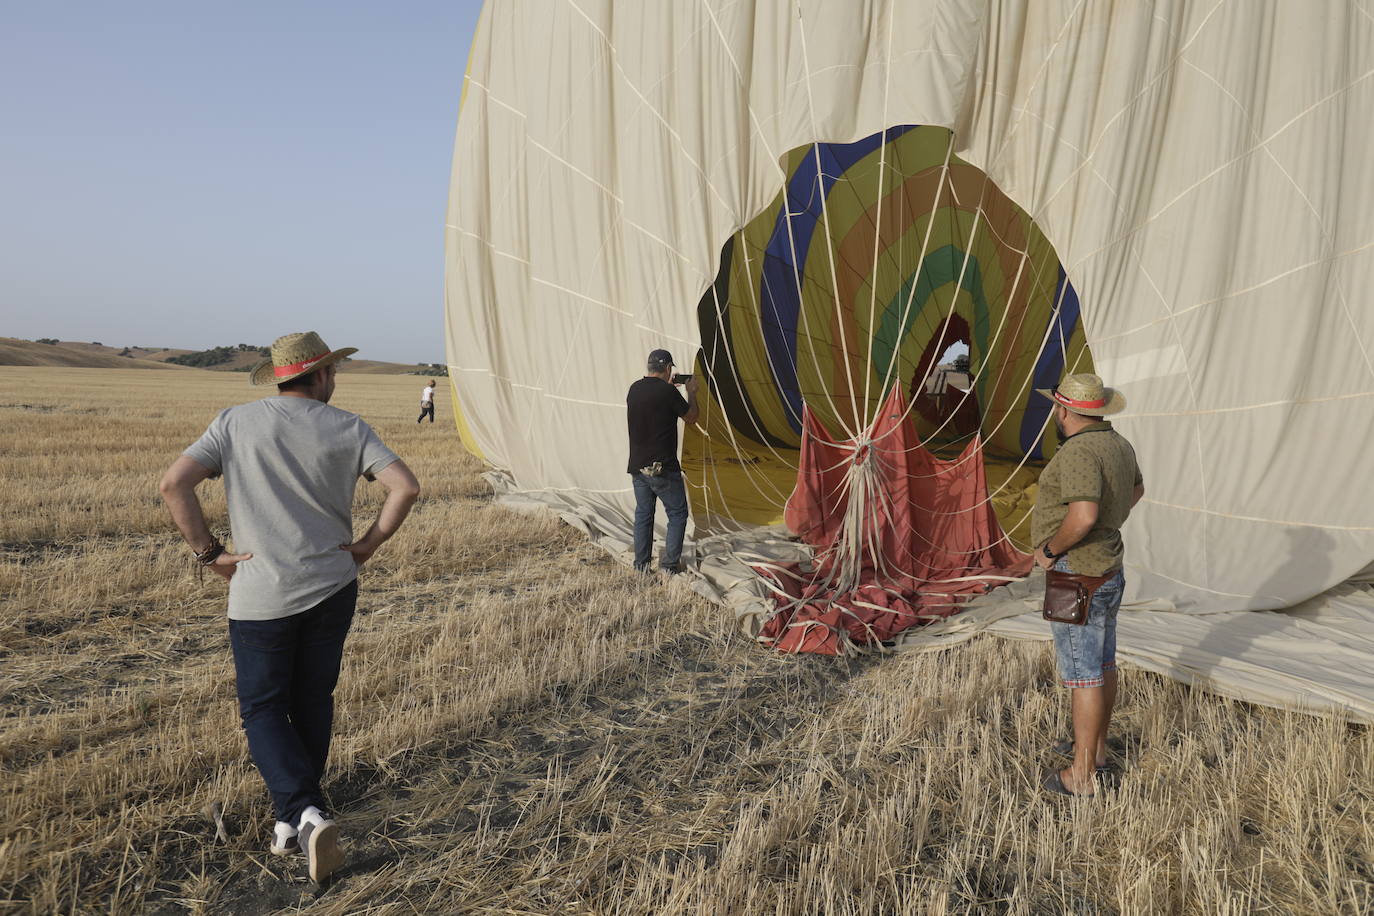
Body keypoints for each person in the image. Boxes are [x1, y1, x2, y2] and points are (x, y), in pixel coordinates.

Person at [159, 331, 420, 883]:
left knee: (263, 708)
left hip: (260, 592)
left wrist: (212, 556)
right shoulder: (349, 426)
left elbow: (173, 484)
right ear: (322, 374)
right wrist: (368, 545)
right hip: (332, 587)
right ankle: (294, 818)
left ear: (281, 378)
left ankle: (302, 811)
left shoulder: (233, 422)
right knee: (312, 698)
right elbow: (406, 488)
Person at [1031, 373, 1143, 798]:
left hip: (1077, 574)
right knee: (1103, 664)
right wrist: (1110, 522)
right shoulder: (1118, 444)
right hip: (1107, 569)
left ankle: (1081, 776)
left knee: (1083, 675)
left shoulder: (1079, 451)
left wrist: (1048, 549)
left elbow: (1083, 517)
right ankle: (1093, 751)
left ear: (1064, 410)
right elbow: (1137, 488)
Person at [626, 348, 699, 574]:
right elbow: (691, 417)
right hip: (662, 467)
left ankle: (641, 566)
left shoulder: (634, 389)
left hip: (638, 466)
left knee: (643, 516)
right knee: (677, 514)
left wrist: (669, 390)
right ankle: (668, 566)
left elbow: (652, 406)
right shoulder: (668, 393)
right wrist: (691, 392)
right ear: (668, 369)